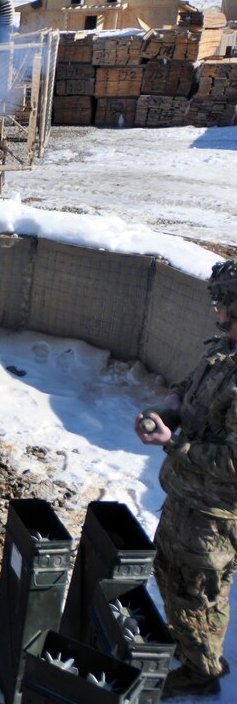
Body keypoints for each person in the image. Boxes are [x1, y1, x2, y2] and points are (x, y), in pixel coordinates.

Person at [136, 259, 237, 698]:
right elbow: (188, 389)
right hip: (188, 495)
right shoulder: (223, 351)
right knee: (172, 576)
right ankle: (193, 645)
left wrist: (172, 444)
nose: (215, 311)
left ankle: (202, 670)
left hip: (213, 514)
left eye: (223, 304)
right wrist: (167, 412)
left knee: (198, 591)